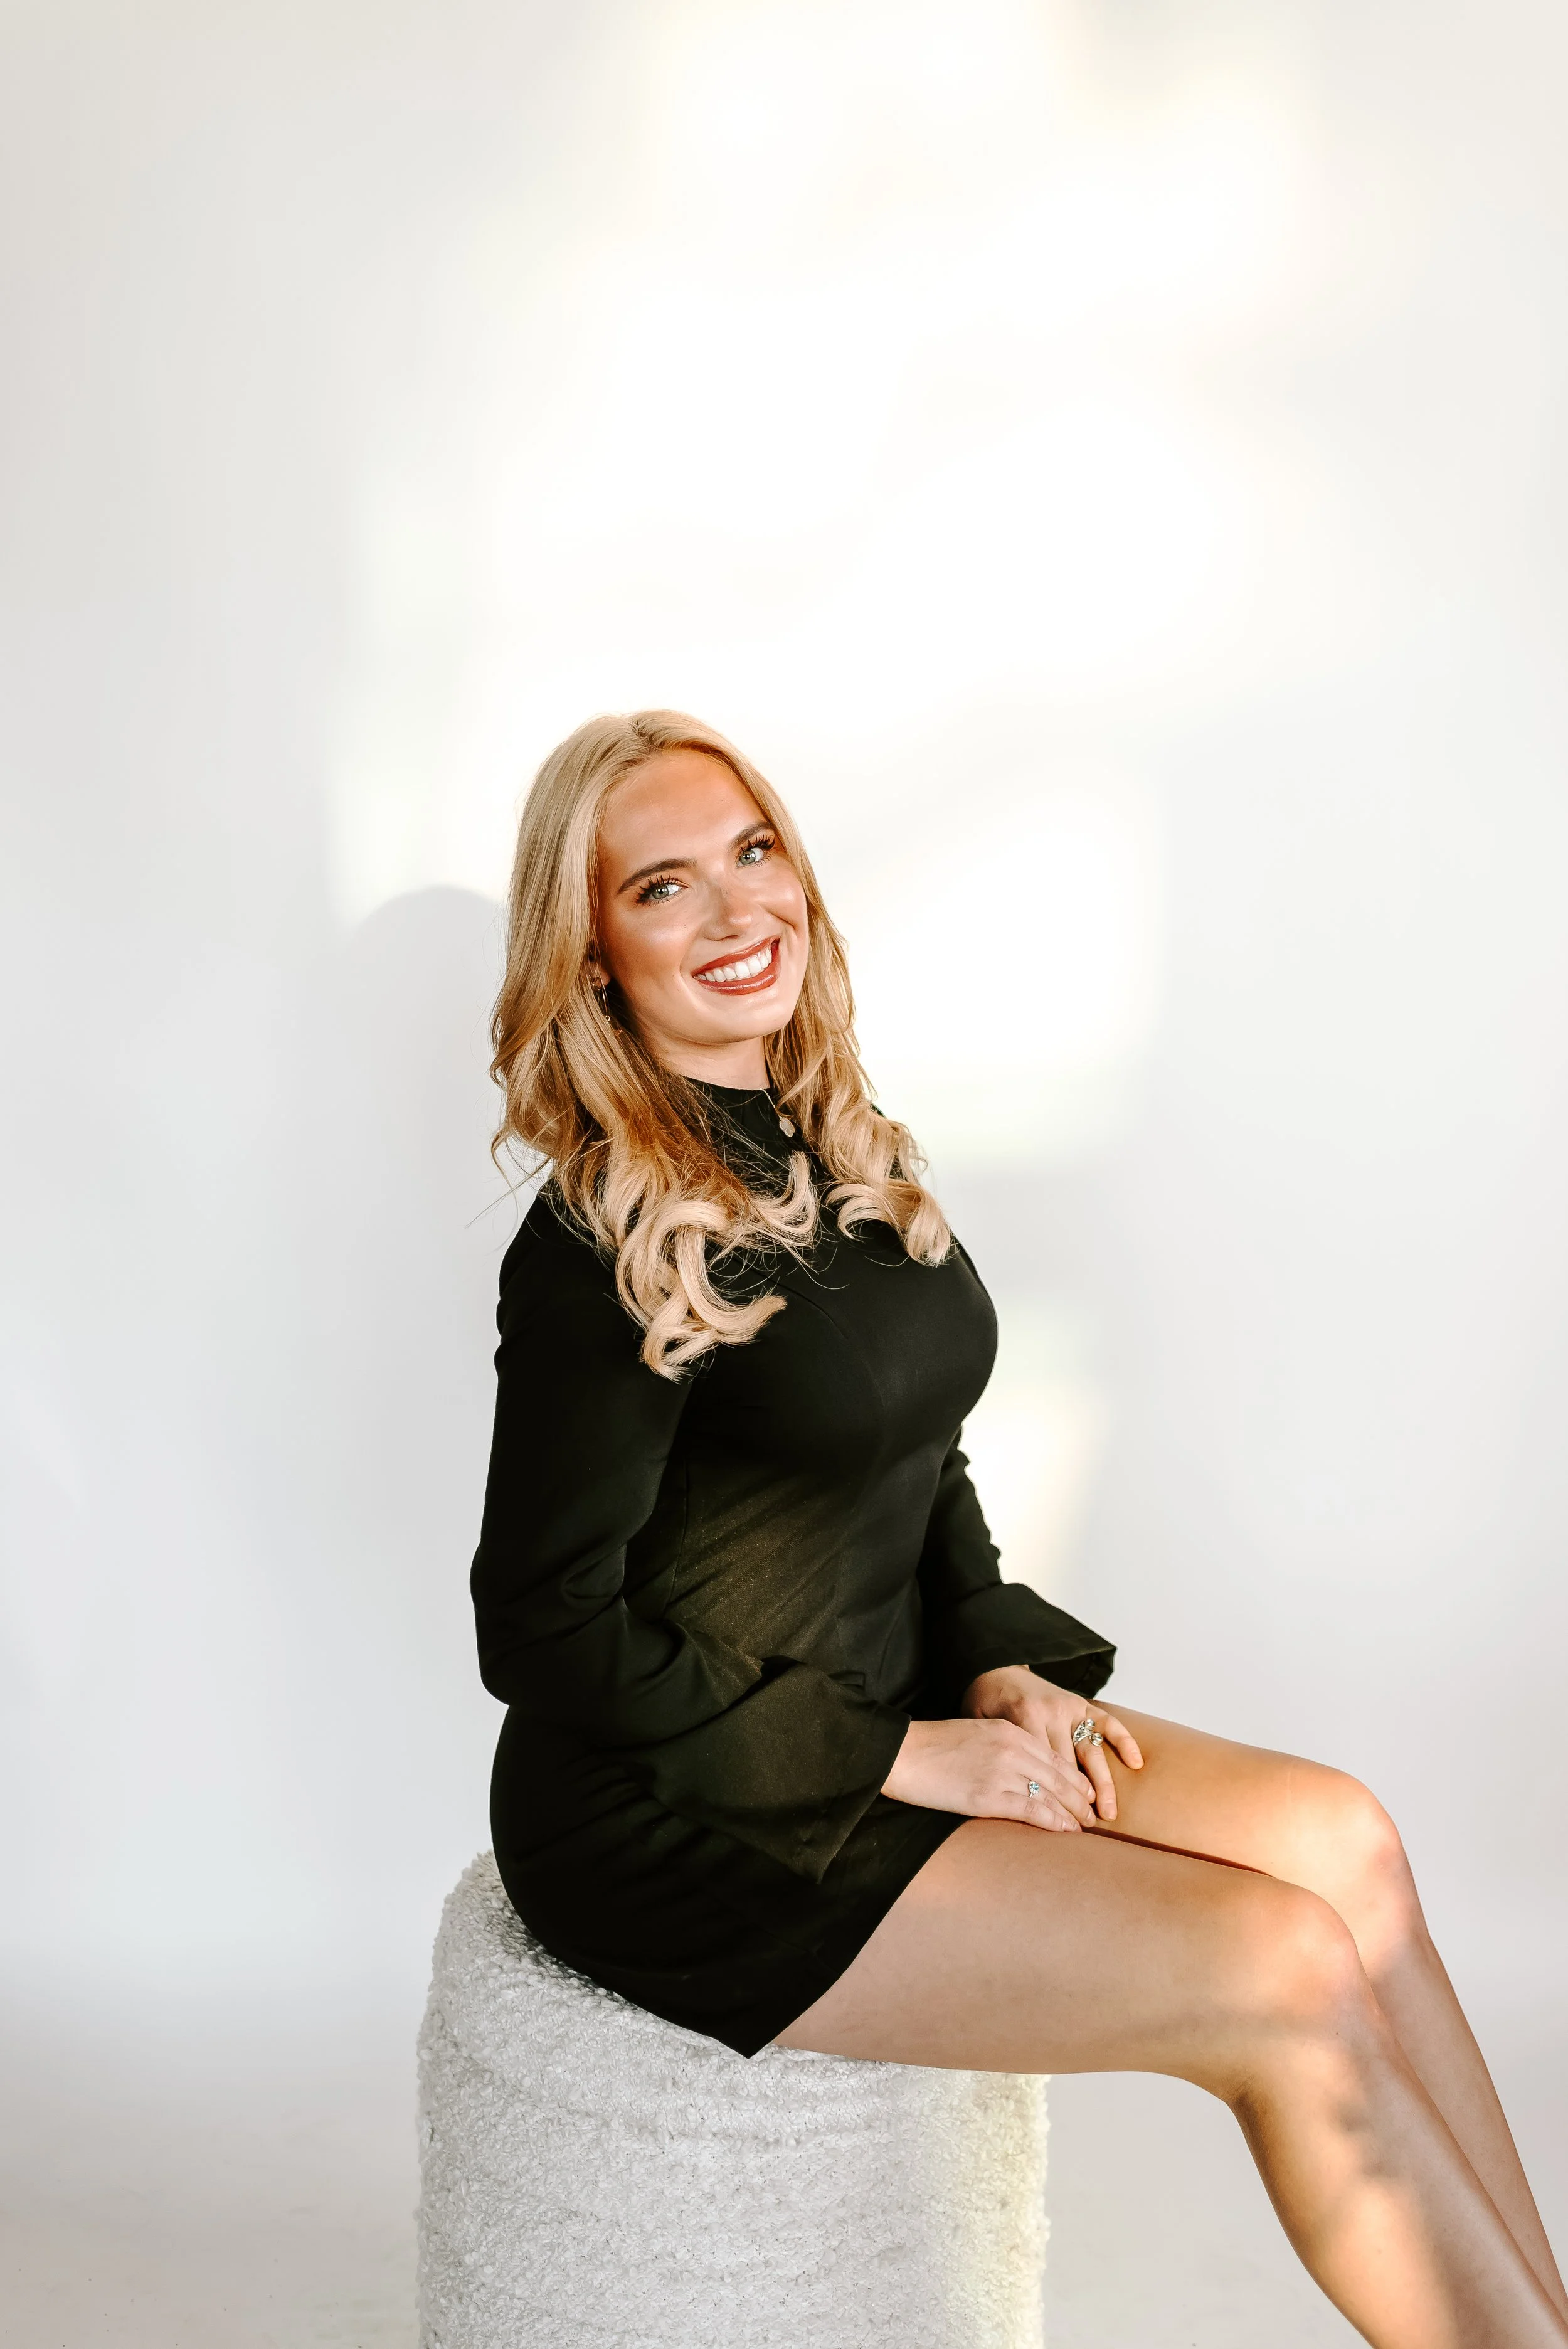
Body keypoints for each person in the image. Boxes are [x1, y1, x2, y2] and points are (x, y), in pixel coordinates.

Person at [472, 709, 1567, 2349]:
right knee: (1280, 1966)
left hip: (895, 1697)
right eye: (664, 889)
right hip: (684, 1819)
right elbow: (541, 1632)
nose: (735, 912)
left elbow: (925, 1474)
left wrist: (990, 1672)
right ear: (596, 954)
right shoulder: (595, 1240)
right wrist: (895, 1759)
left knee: (1345, 1842)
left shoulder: (846, 1153)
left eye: (755, 853)